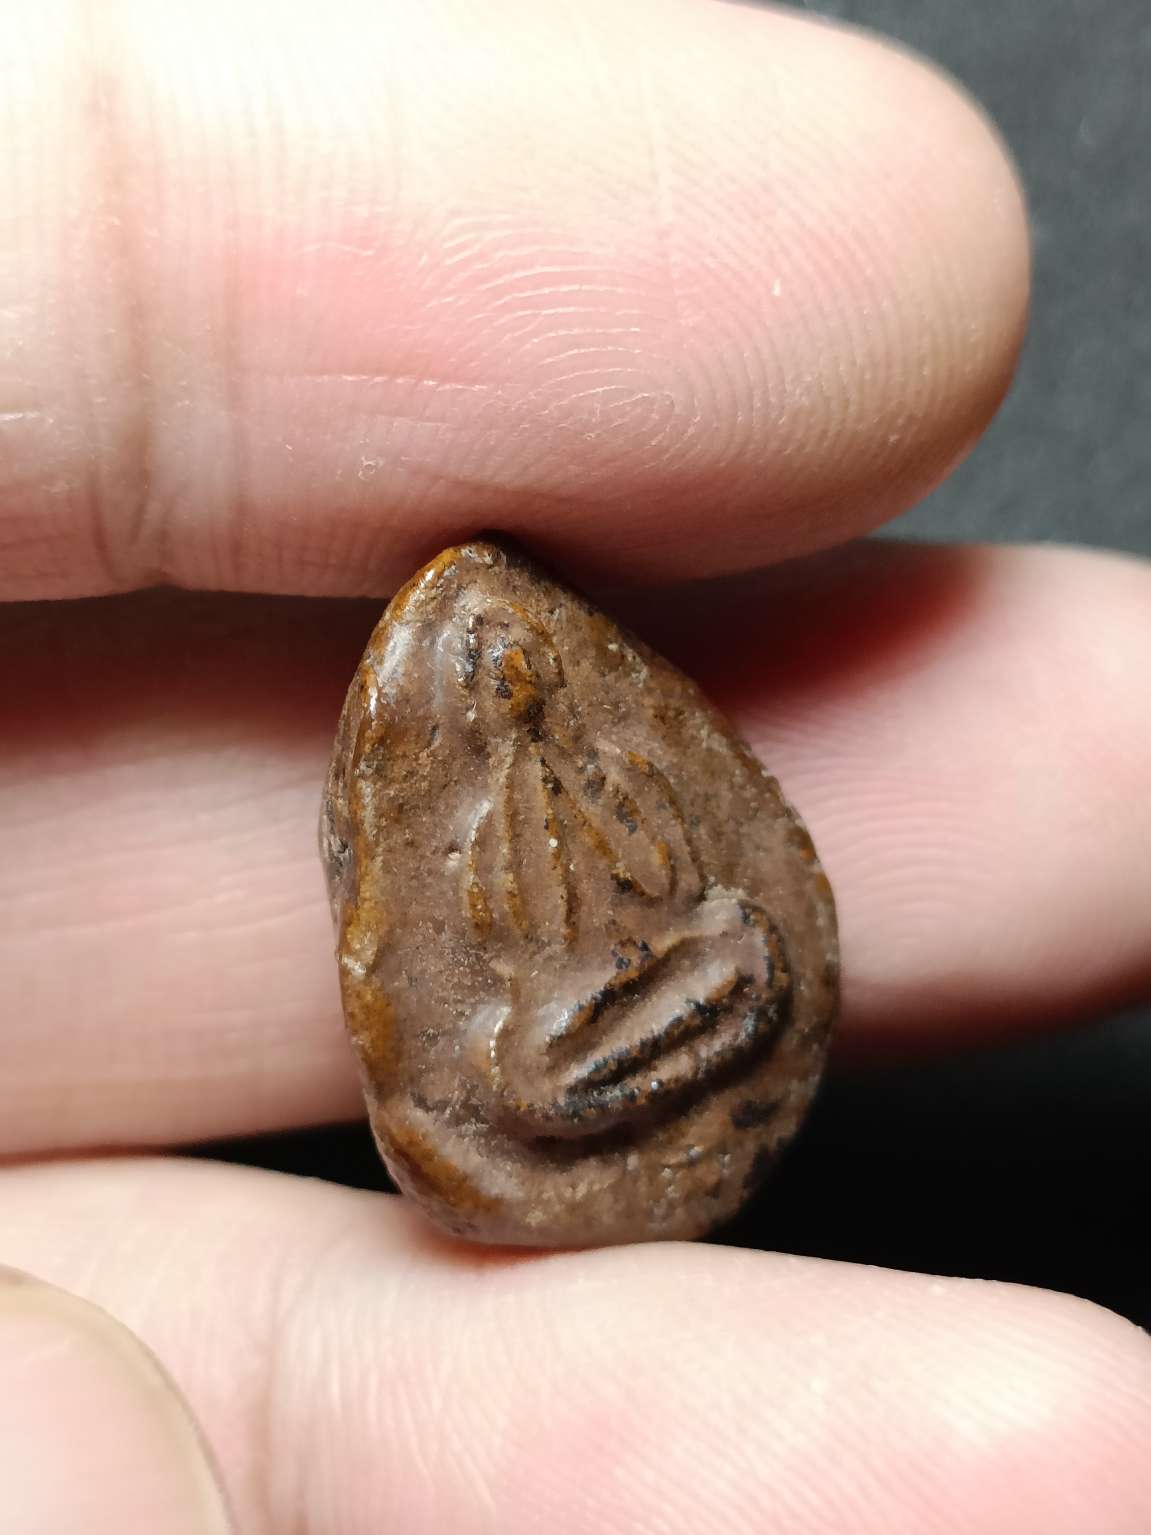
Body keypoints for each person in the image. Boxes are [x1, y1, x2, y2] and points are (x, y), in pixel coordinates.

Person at [1, 1, 1148, 1529]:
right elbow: (483, 974)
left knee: (741, 951)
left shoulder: (603, 763)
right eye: (490, 670)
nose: (503, 670)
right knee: (521, 1071)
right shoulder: (459, 810)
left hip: (657, 984)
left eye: (513, 664)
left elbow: (696, 905)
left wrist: (656, 953)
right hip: (558, 1039)